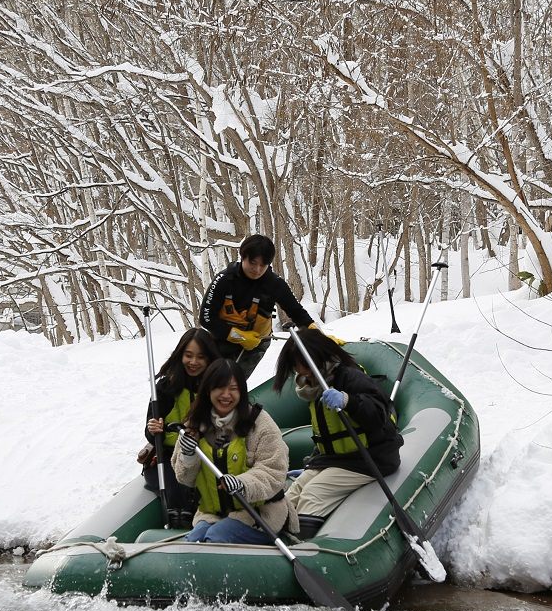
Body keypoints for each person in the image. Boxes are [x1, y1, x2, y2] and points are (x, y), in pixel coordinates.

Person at [271, 328, 403, 521]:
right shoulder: (314, 386)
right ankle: (272, 538)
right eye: (295, 367)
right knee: (294, 492)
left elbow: (378, 416)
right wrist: (314, 461)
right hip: (335, 459)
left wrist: (348, 401)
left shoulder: (349, 377)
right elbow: (326, 433)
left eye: (302, 365)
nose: (300, 372)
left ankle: (304, 542)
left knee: (312, 494)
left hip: (368, 458)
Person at [172, 359, 299, 544]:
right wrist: (188, 455)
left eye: (233, 388)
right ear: (208, 390)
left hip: (259, 514)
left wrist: (242, 483)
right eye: (219, 388)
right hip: (213, 515)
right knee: (193, 542)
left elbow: (274, 471)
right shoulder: (194, 425)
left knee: (216, 539)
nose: (226, 395)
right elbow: (184, 478)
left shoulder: (260, 423)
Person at [199, 233, 318, 380]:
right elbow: (205, 318)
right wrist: (238, 336)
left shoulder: (275, 284)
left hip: (256, 344)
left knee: (232, 382)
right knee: (209, 380)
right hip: (222, 338)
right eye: (253, 263)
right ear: (243, 257)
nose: (257, 269)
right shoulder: (224, 280)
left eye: (263, 265)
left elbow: (296, 312)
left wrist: (315, 332)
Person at [139, 327, 222, 525]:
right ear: (180, 355)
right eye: (188, 355)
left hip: (207, 453)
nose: (193, 362)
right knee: (178, 491)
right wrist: (154, 430)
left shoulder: (217, 386)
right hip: (170, 456)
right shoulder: (166, 387)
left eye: (200, 357)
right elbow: (150, 432)